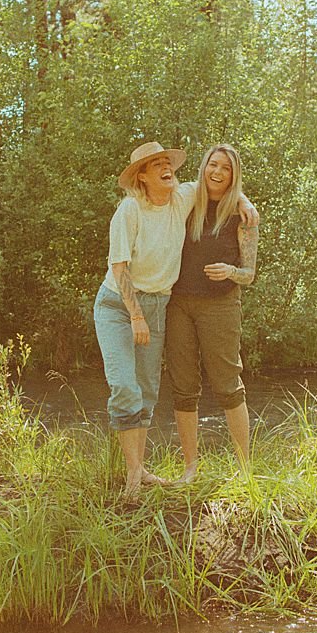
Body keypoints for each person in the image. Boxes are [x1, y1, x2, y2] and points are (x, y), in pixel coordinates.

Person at [94, 141, 194, 499]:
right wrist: (136, 315)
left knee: (147, 392)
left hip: (157, 304)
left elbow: (221, 183)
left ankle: (137, 470)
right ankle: (134, 476)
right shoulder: (129, 211)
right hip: (118, 306)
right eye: (157, 165)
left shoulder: (183, 198)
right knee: (125, 385)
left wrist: (244, 204)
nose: (167, 168)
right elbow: (118, 266)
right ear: (142, 176)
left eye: (168, 162)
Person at [165, 143, 257, 481]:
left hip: (220, 307)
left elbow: (250, 274)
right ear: (204, 167)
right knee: (183, 387)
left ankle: (245, 471)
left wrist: (230, 272)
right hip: (178, 305)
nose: (217, 173)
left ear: (234, 175)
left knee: (228, 385)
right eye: (212, 165)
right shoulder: (187, 203)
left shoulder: (243, 214)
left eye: (225, 168)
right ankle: (191, 468)